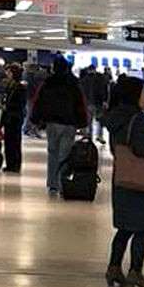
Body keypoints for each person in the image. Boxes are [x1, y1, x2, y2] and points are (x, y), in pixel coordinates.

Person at [103, 76, 144, 287]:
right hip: (139, 181)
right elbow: (141, 148)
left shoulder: (115, 117)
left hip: (122, 177)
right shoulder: (137, 118)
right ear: (135, 96)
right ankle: (135, 271)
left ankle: (114, 267)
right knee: (142, 227)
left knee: (125, 227)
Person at [30, 56, 88, 193]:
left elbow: (39, 101)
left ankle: (52, 184)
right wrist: (83, 122)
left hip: (52, 123)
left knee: (52, 152)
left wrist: (36, 120)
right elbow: (81, 104)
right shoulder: (74, 83)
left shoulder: (48, 83)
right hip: (69, 123)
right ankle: (63, 183)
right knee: (65, 154)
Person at [1, 63, 26, 173]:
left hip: (14, 117)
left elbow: (19, 103)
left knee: (14, 141)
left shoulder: (19, 87)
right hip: (11, 116)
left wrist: (7, 106)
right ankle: (10, 163)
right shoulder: (12, 85)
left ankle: (14, 164)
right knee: (9, 141)